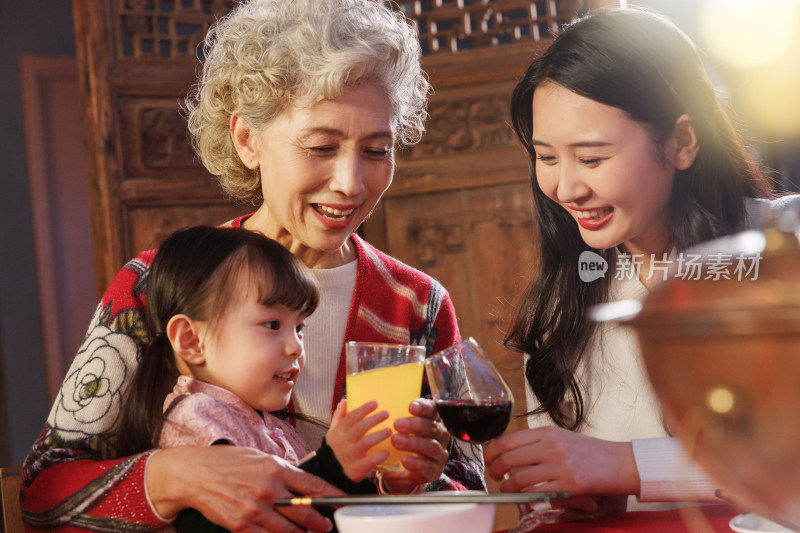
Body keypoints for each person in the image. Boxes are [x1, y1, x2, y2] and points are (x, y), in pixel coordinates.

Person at [21, 1, 484, 531]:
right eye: (321, 146)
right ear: (247, 140)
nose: (351, 183)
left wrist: (416, 481)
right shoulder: (160, 285)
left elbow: (474, 490)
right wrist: (173, 477)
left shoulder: (417, 303)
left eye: (376, 150)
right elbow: (43, 491)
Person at [483, 6, 800, 519]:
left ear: (682, 142)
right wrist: (566, 496)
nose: (566, 187)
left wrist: (630, 465)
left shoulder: (785, 248)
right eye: (546, 157)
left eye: (591, 158)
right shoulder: (560, 304)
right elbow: (560, 489)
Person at [117, 225, 395, 531]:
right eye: (273, 324)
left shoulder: (275, 425)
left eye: (299, 327)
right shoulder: (195, 417)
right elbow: (223, 521)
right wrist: (333, 463)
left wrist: (375, 473)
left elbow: (324, 516)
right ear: (191, 341)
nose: (296, 347)